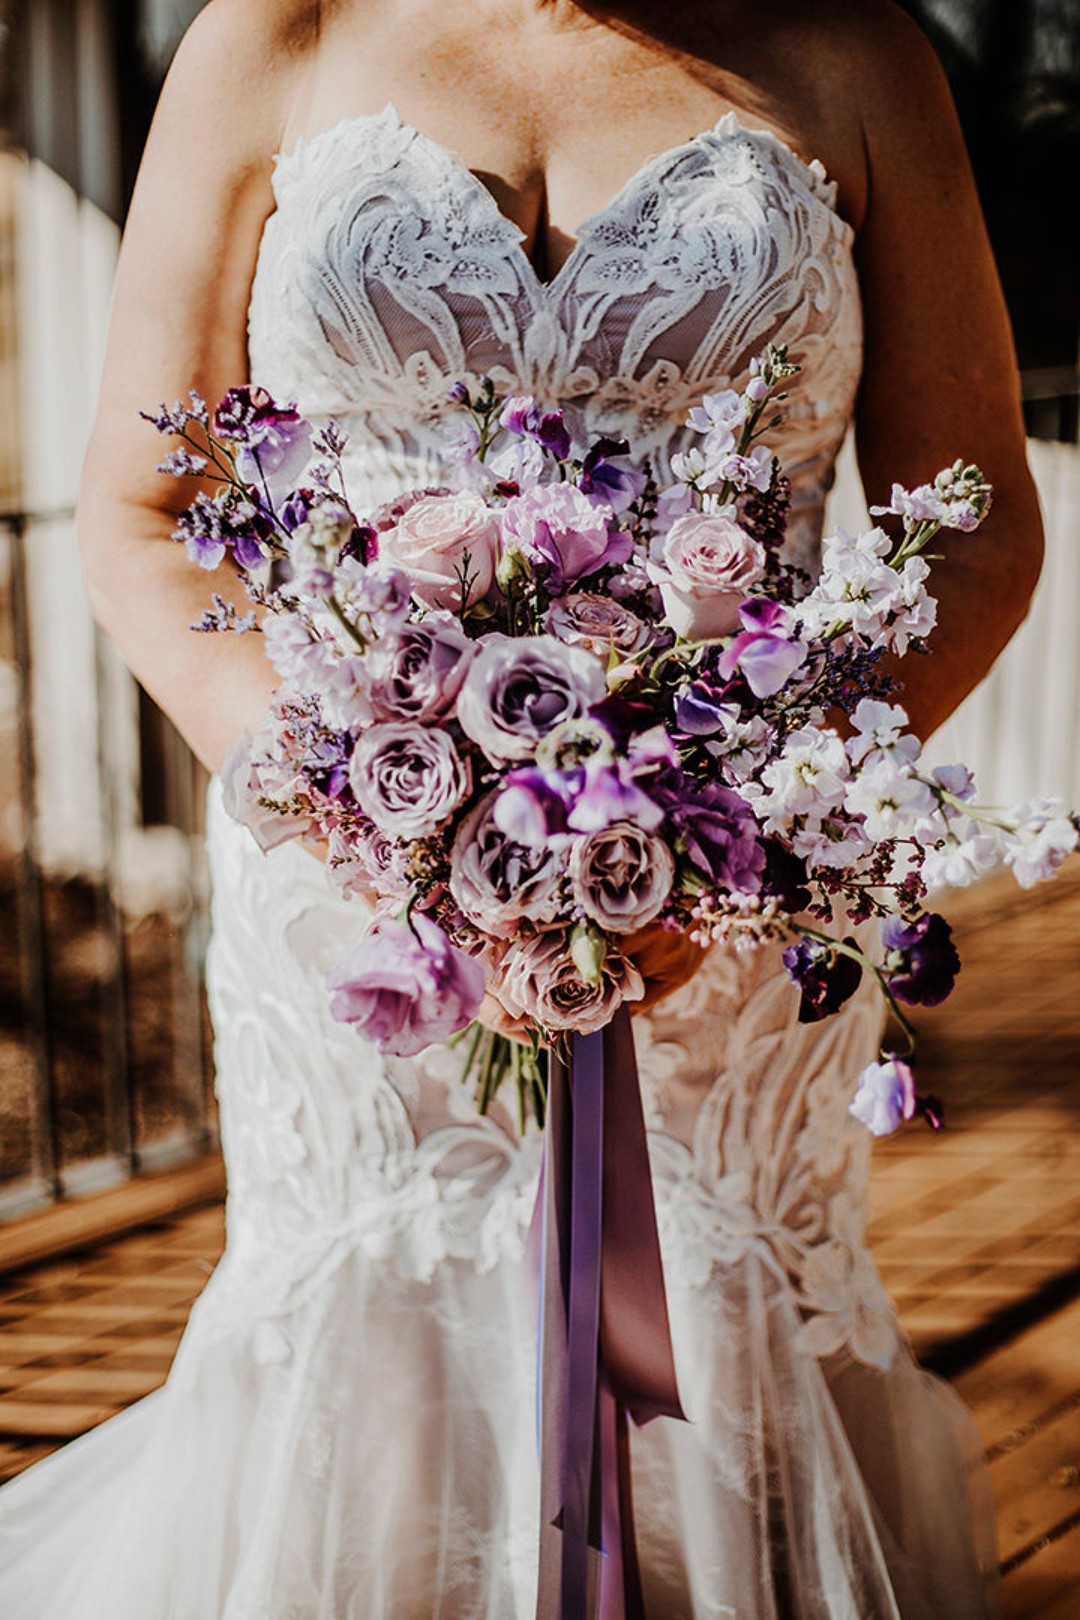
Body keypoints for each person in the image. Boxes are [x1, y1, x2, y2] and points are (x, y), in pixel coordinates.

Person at [0, 1, 1043, 1614]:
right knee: (366, 1354)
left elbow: (970, 528)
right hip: (354, 884)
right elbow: (147, 508)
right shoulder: (276, 32)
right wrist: (358, 812)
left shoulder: (853, 52)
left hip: (731, 890)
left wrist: (750, 824)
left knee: (718, 1348)